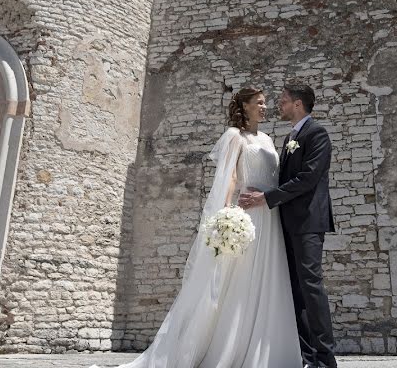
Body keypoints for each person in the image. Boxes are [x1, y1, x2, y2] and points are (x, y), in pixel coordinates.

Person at [115, 87, 302, 368]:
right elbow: (230, 177)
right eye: (259, 103)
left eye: (265, 103)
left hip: (270, 216)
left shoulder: (266, 137)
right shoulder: (234, 136)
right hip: (249, 213)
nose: (265, 107)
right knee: (240, 281)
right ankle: (231, 346)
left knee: (268, 277)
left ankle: (267, 348)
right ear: (245, 106)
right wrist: (226, 212)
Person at [239, 83, 337, 368]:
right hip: (287, 223)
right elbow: (285, 178)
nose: (277, 105)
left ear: (297, 104)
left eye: (282, 101)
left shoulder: (317, 134)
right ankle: (306, 357)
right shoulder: (290, 138)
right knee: (295, 288)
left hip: (308, 222)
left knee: (311, 285)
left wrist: (266, 198)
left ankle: (325, 358)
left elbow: (307, 179)